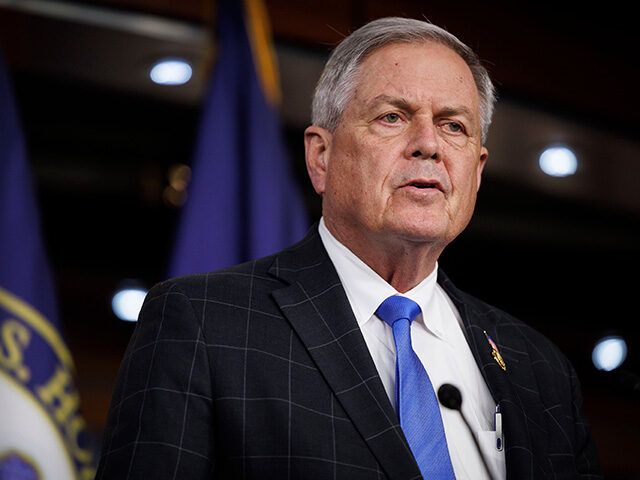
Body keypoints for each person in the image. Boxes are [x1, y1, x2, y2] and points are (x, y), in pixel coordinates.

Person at [95, 17, 602, 480]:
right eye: (392, 117)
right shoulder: (205, 323)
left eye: (454, 125)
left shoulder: (542, 370)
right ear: (321, 156)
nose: (429, 144)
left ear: (477, 172)